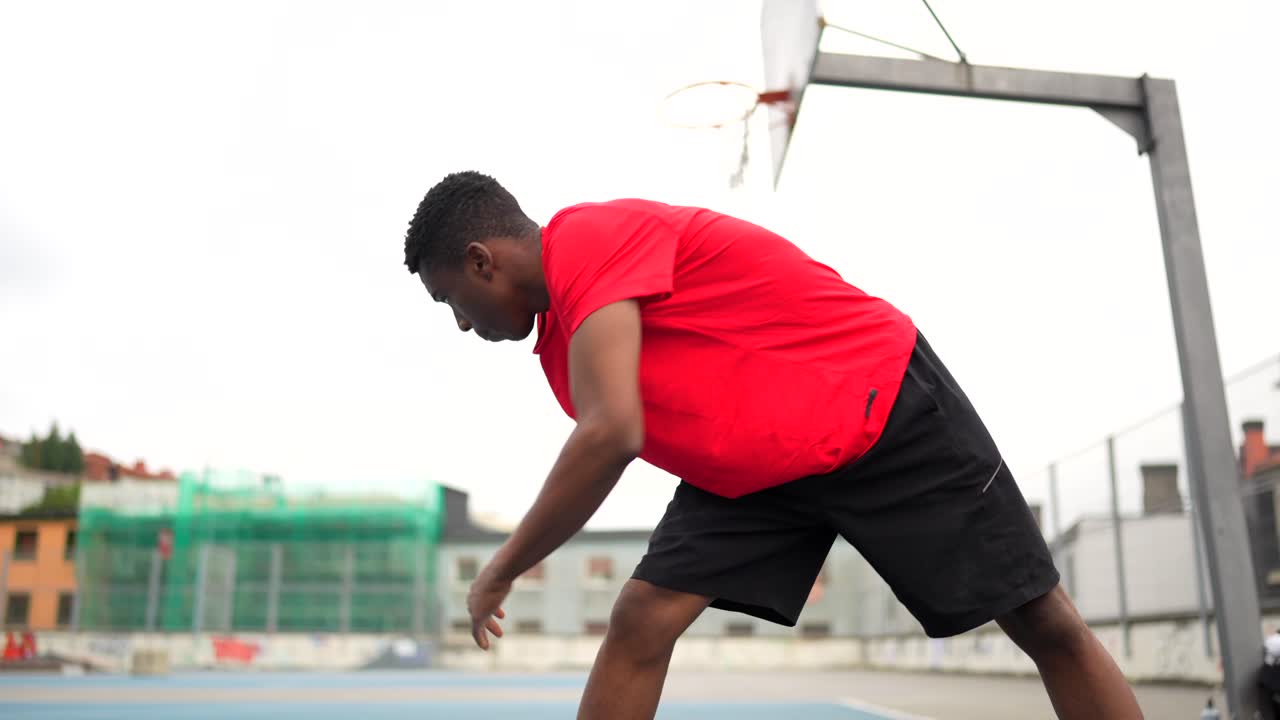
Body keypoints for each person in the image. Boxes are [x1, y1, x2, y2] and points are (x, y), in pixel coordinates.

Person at [402, 171, 1143, 719]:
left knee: (1041, 621)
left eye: (449, 301)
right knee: (640, 618)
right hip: (759, 468)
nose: (461, 323)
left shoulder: (588, 241)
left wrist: (501, 568)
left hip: (875, 405)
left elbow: (612, 432)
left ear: (481, 260)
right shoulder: (562, 343)